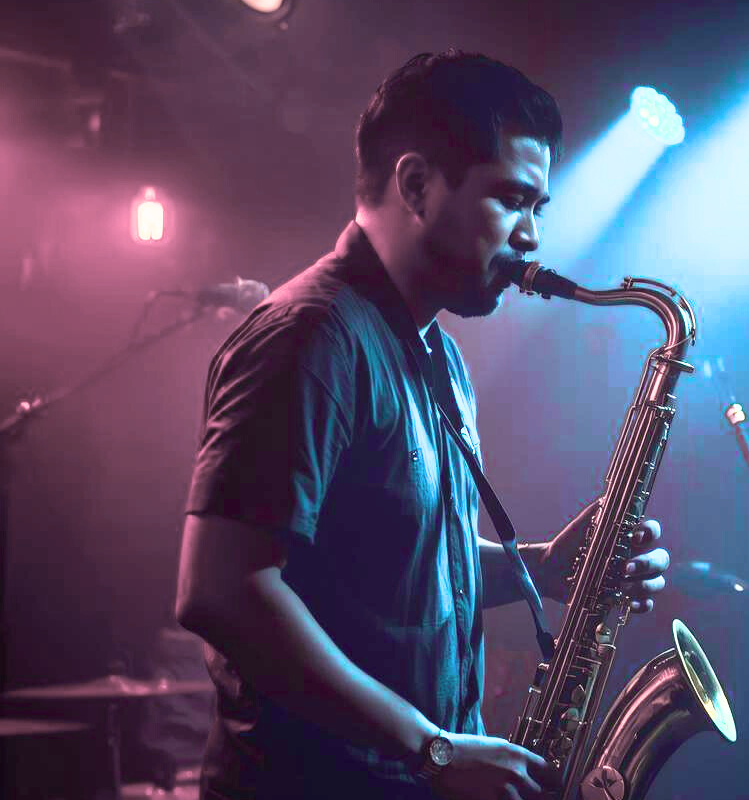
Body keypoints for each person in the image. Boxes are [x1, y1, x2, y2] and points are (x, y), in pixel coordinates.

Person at [174, 51, 672, 800]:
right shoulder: (310, 337)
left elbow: (393, 555)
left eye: (541, 208)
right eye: (512, 200)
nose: (533, 236)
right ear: (415, 185)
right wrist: (433, 749)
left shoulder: (437, 354)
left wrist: (539, 567)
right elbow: (221, 588)